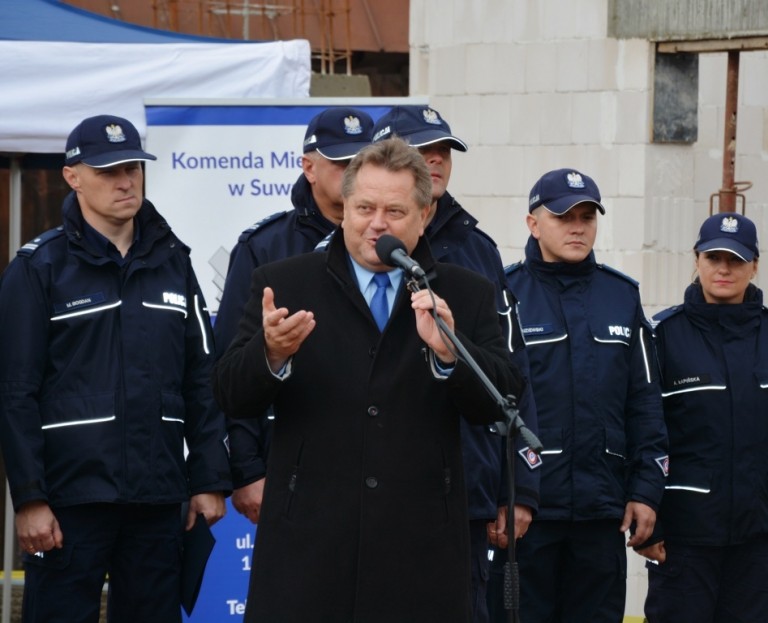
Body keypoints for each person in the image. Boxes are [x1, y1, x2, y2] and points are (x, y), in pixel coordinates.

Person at [212, 136, 525, 622]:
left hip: (422, 549)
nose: (377, 223)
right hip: (309, 546)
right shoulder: (285, 283)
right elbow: (230, 392)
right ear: (344, 210)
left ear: (424, 216)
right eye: (364, 208)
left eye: (395, 211)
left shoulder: (465, 293)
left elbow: (502, 397)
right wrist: (270, 354)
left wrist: (449, 354)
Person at [0, 114, 231, 623]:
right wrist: (30, 499)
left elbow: (202, 377)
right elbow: (15, 392)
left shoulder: (173, 261)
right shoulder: (39, 268)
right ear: (73, 177)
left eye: (133, 168)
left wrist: (208, 478)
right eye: (108, 171)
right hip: (68, 503)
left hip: (158, 499)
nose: (125, 181)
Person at [372, 105, 540, 623]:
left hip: (464, 486)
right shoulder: (353, 246)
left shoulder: (477, 250)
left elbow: (511, 373)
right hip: (371, 489)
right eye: (423, 151)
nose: (437, 161)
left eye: (444, 151)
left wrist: (519, 486)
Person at [640, 212, 768, 623]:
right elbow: (645, 433)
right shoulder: (663, 335)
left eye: (736, 260)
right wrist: (650, 521)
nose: (724, 269)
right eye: (713, 258)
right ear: (697, 260)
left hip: (759, 534)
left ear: (754, 265)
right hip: (685, 535)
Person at [503, 168, 668, 622]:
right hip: (530, 513)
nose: (577, 227)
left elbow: (645, 402)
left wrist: (646, 490)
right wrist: (503, 496)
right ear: (533, 224)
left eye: (587, 217)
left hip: (602, 513)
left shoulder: (621, 296)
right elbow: (491, 406)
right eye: (563, 217)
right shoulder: (505, 295)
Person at [213, 107, 375, 524]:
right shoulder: (265, 247)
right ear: (309, 167)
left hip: (379, 470)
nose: (355, 174)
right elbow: (231, 365)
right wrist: (247, 469)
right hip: (290, 468)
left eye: (363, 162)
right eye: (342, 163)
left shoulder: (396, 246)